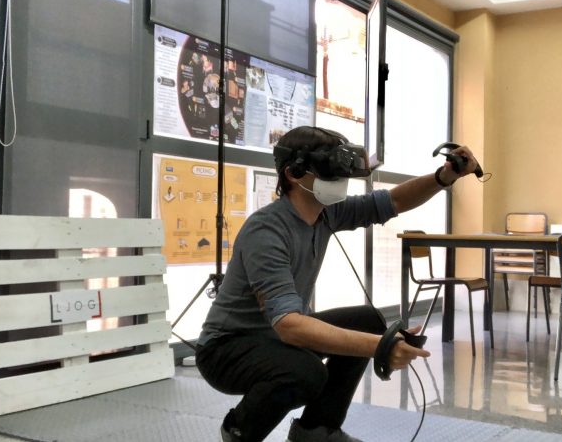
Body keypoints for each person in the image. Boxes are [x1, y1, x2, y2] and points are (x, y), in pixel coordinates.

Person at [196, 126, 480, 442]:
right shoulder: (266, 231)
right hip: (226, 349)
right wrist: (381, 346)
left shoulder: (327, 213)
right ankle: (239, 431)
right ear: (293, 173)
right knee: (306, 372)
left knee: (367, 321)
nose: (339, 181)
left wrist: (444, 177)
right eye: (329, 171)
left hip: (274, 336)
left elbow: (394, 200)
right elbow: (289, 326)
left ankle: (315, 431)